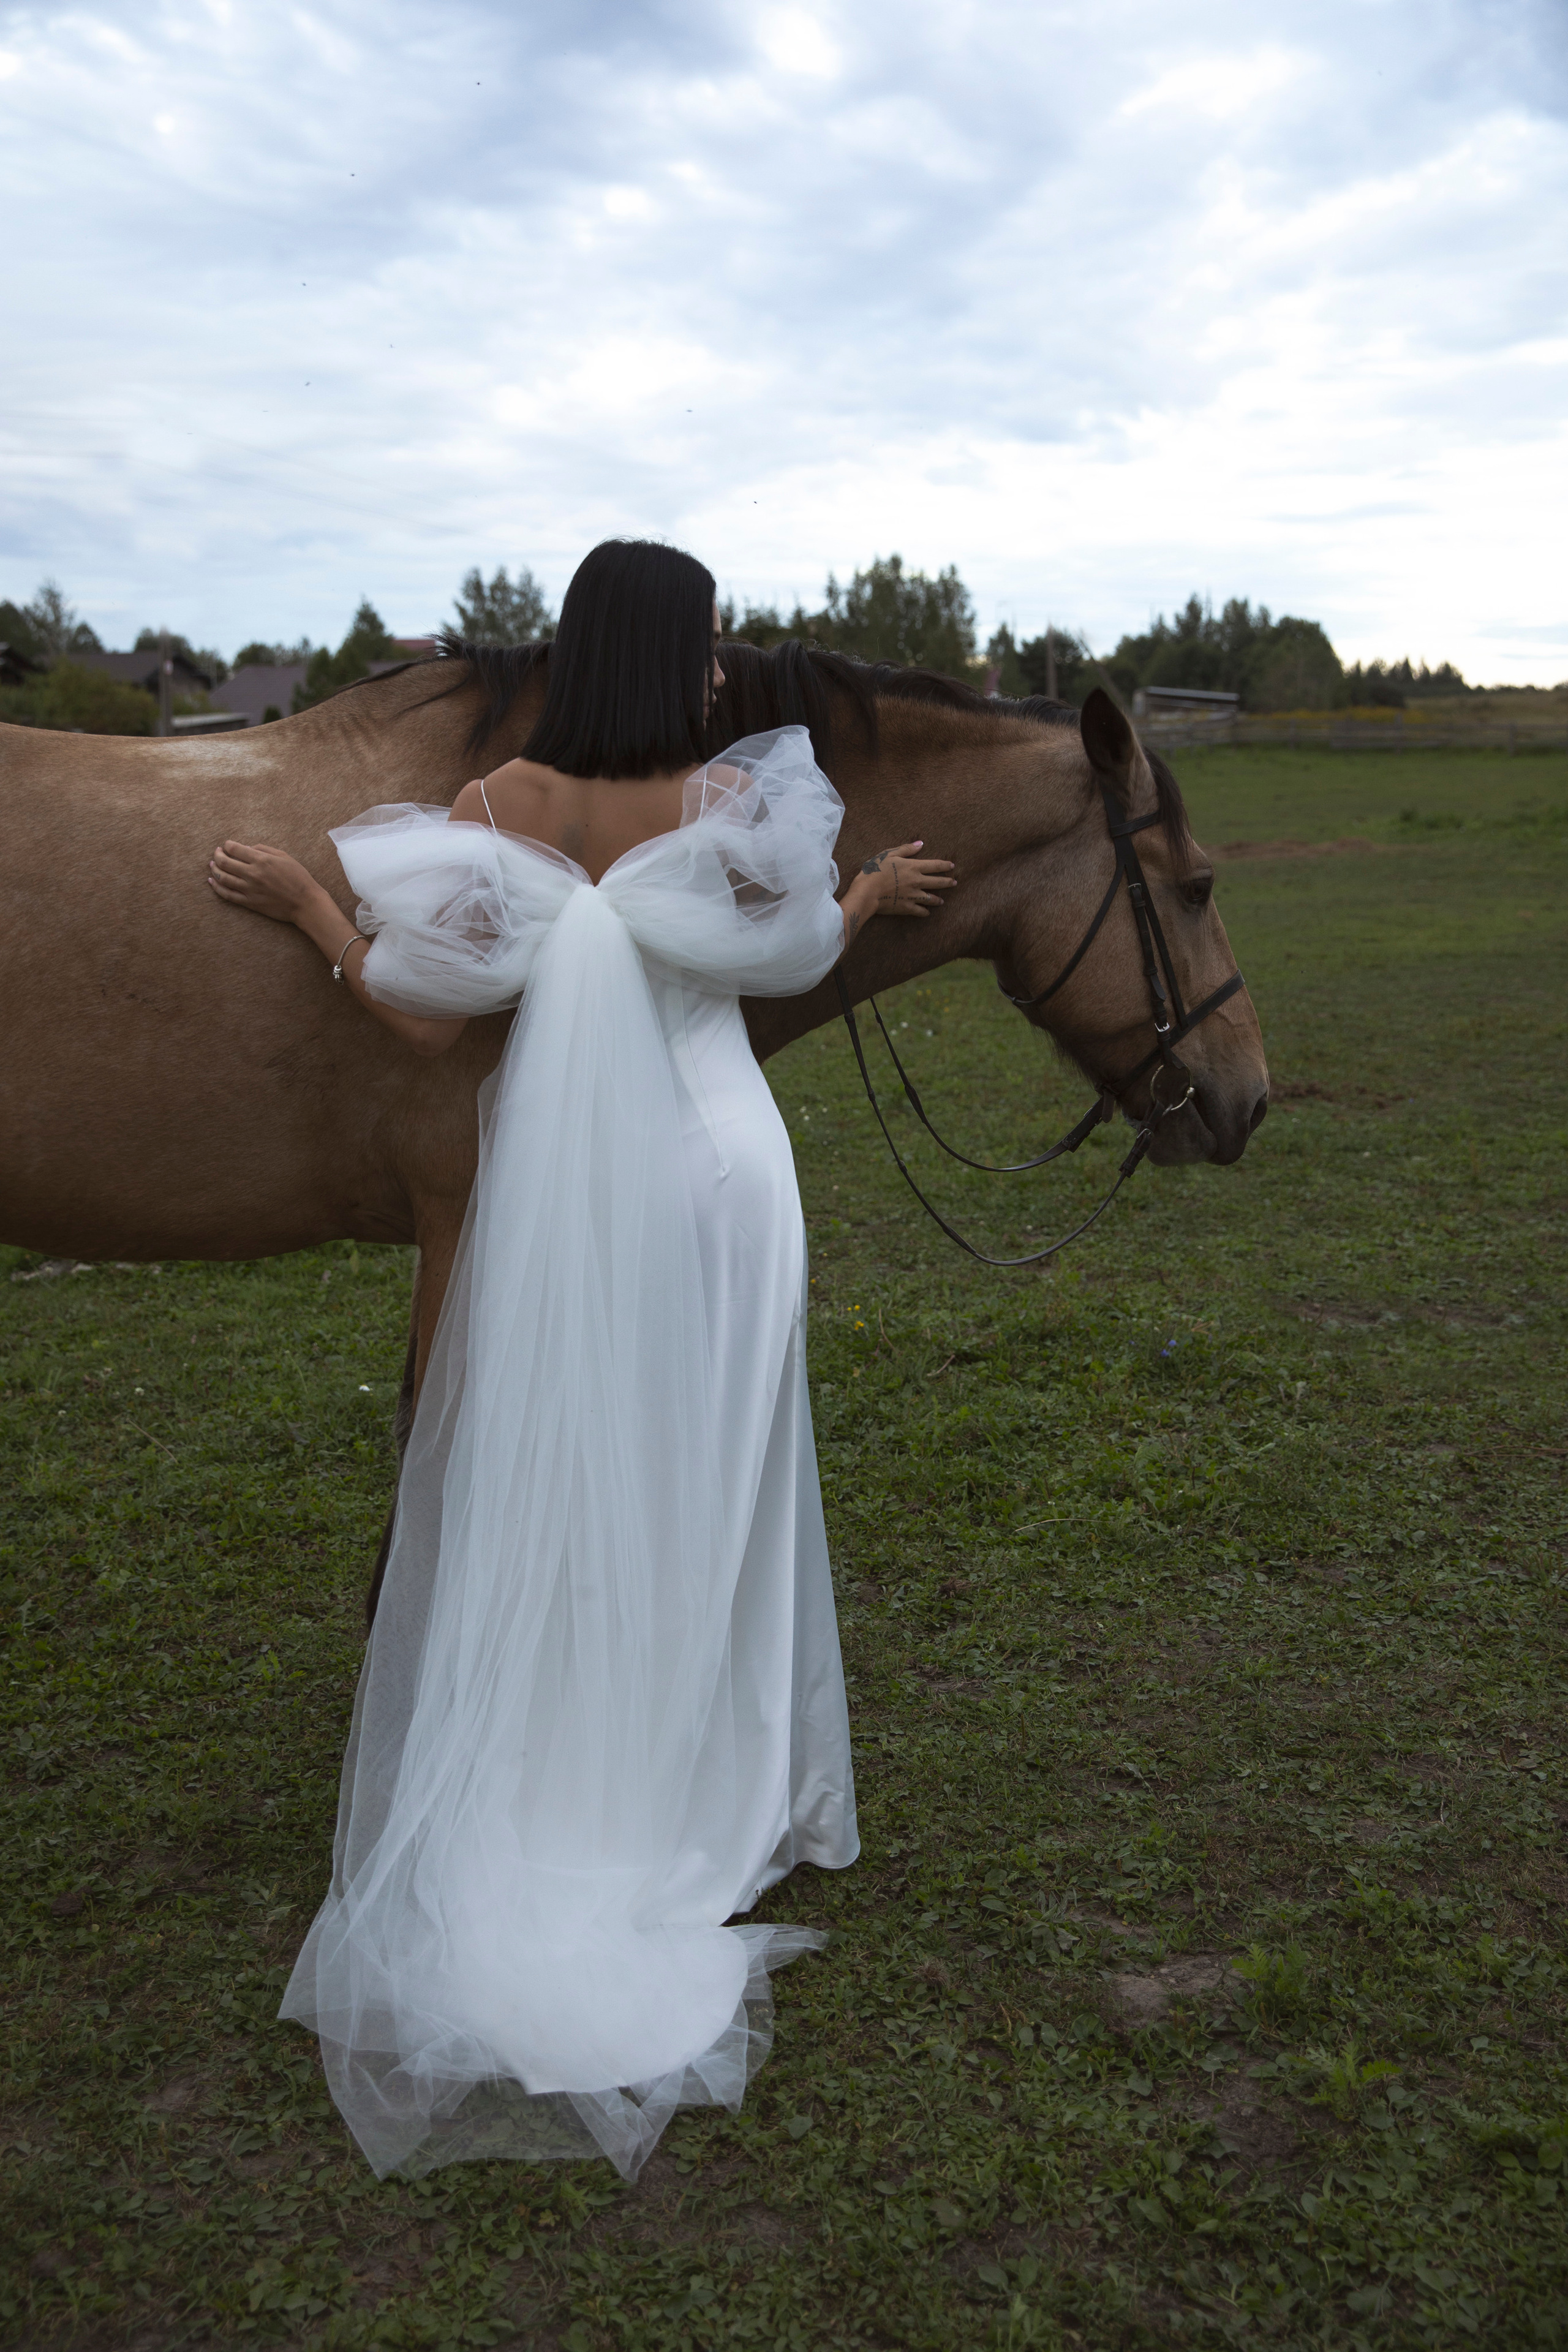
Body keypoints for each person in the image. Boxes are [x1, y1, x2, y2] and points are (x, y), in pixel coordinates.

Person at [206, 538, 957, 2181]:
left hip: (570, 1199)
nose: (720, 673)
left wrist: (310, 905)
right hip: (726, 1180)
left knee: (570, 1470)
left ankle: (575, 1778)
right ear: (667, 653)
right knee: (724, 1478)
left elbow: (424, 1013)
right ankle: (717, 1780)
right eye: (707, 646)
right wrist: (863, 899)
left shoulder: (502, 807)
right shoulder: (731, 802)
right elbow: (788, 961)